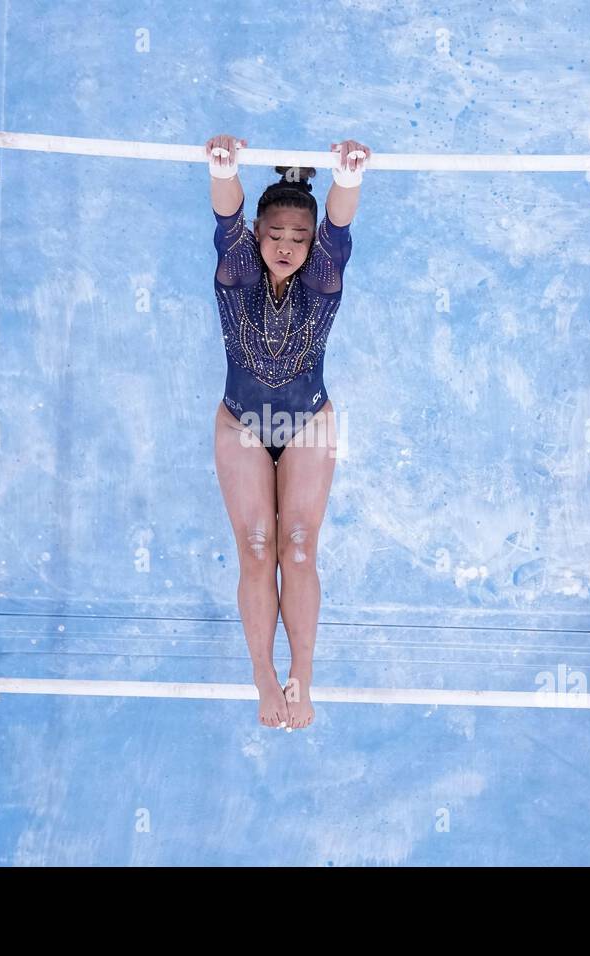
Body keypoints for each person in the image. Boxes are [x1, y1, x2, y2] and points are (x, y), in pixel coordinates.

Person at [205, 132, 370, 730]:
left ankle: (300, 673)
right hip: (242, 421)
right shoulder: (238, 277)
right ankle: (262, 675)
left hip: (306, 420)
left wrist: (347, 180)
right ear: (257, 238)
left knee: (297, 546)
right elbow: (226, 217)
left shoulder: (322, 284)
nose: (286, 246)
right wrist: (222, 169)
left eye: (300, 238)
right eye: (274, 235)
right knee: (257, 549)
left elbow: (339, 235)